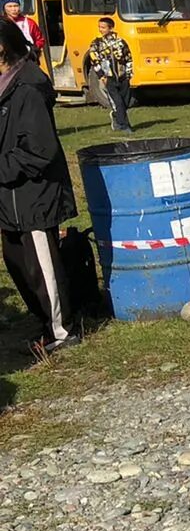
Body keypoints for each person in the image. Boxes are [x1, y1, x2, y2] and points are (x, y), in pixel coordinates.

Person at [0, 19, 77, 355]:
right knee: (18, 264)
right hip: (9, 198)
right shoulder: (6, 84)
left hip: (33, 195)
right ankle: (45, 322)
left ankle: (63, 330)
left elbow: (39, 150)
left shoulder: (28, 87)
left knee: (42, 267)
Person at [85, 16, 134, 134]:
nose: (101, 29)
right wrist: (101, 76)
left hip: (123, 77)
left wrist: (128, 74)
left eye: (103, 27)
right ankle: (124, 126)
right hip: (109, 78)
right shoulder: (96, 43)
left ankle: (116, 117)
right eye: (99, 27)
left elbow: (128, 58)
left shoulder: (121, 42)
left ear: (111, 28)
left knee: (125, 102)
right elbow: (94, 60)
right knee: (118, 102)